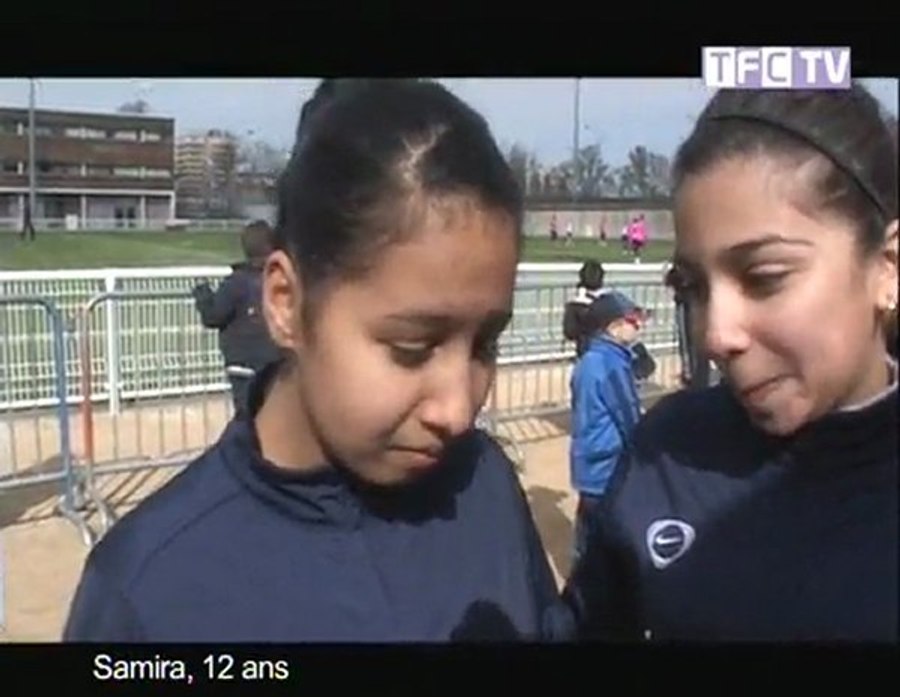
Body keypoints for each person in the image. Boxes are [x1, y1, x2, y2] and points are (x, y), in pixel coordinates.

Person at [63, 78, 559, 643]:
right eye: (412, 349)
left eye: (484, 345)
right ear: (286, 303)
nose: (459, 411)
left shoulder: (483, 482)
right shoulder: (149, 590)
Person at [558, 83, 898, 642]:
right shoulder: (666, 450)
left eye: (764, 278)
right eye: (692, 286)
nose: (716, 336)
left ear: (887, 267)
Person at [568, 291, 644, 565]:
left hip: (587, 460)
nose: (639, 326)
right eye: (633, 320)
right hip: (607, 464)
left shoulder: (588, 360)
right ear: (613, 327)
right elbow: (628, 416)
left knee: (587, 529)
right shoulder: (611, 364)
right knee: (608, 533)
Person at [192, 220, 281, 416]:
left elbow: (213, 316)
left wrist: (203, 296)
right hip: (276, 364)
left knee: (248, 418)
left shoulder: (236, 283)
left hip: (243, 365)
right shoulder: (280, 281)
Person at [562, 260, 610, 357]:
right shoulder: (611, 301)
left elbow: (570, 332)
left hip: (585, 352)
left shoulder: (574, 304)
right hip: (609, 352)